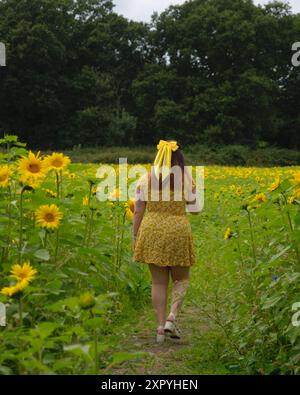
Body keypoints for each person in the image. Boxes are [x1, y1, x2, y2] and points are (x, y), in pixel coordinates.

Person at [132, 140, 200, 343]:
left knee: (158, 282)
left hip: (152, 230)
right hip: (178, 230)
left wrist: (135, 236)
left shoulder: (145, 179)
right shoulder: (186, 180)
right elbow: (196, 210)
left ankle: (160, 329)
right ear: (180, 159)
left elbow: (138, 210)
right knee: (181, 280)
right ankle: (172, 316)